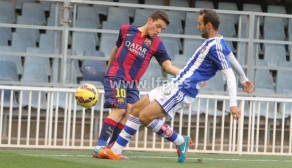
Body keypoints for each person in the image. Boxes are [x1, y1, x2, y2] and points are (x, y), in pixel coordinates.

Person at [95, 9, 255, 163]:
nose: (197, 26)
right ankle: (114, 151)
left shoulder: (215, 46)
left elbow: (229, 73)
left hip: (184, 88)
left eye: (199, 24)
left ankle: (179, 141)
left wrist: (233, 104)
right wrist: (244, 79)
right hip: (175, 84)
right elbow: (232, 59)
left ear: (208, 26)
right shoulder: (217, 42)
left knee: (145, 116)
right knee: (135, 110)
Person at [93, 10, 182, 158]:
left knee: (131, 112)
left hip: (132, 84)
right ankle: (99, 147)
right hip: (117, 76)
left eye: (162, 29)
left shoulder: (157, 43)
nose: (158, 31)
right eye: (158, 26)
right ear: (150, 20)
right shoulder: (126, 30)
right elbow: (116, 50)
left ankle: (111, 149)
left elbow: (168, 67)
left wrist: (189, 75)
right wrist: (108, 71)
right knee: (120, 109)